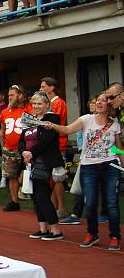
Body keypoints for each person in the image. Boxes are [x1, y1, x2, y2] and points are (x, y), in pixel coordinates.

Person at [45, 94, 122, 251]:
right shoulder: (86, 119)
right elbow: (67, 129)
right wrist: (52, 125)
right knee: (91, 202)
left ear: (110, 105)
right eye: (96, 101)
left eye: (103, 101)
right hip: (89, 166)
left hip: (110, 166)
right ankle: (92, 233)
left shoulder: (115, 124)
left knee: (112, 203)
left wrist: (117, 154)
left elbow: (117, 148)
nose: (99, 103)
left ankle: (115, 236)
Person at [19, 92, 64, 241]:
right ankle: (43, 228)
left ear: (47, 105)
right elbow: (21, 140)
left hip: (47, 162)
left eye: (40, 104)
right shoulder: (29, 120)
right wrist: (24, 152)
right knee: (36, 196)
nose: (36, 106)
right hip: (31, 162)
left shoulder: (52, 118)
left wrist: (31, 153)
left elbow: (47, 140)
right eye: (34, 104)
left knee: (42, 195)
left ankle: (56, 230)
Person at [40, 77, 69, 217]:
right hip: (49, 144)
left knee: (58, 177)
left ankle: (61, 208)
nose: (41, 89)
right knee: (50, 178)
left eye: (43, 86)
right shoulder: (49, 103)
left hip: (58, 143)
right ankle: (53, 206)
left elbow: (55, 122)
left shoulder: (58, 103)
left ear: (51, 88)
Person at [0, 85, 28, 212]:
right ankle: (14, 200)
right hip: (9, 148)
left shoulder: (28, 110)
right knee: (12, 175)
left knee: (31, 173)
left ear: (20, 95)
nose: (9, 98)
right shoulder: (5, 112)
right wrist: (3, 146)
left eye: (12, 95)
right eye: (9, 95)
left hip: (26, 148)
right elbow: (2, 130)